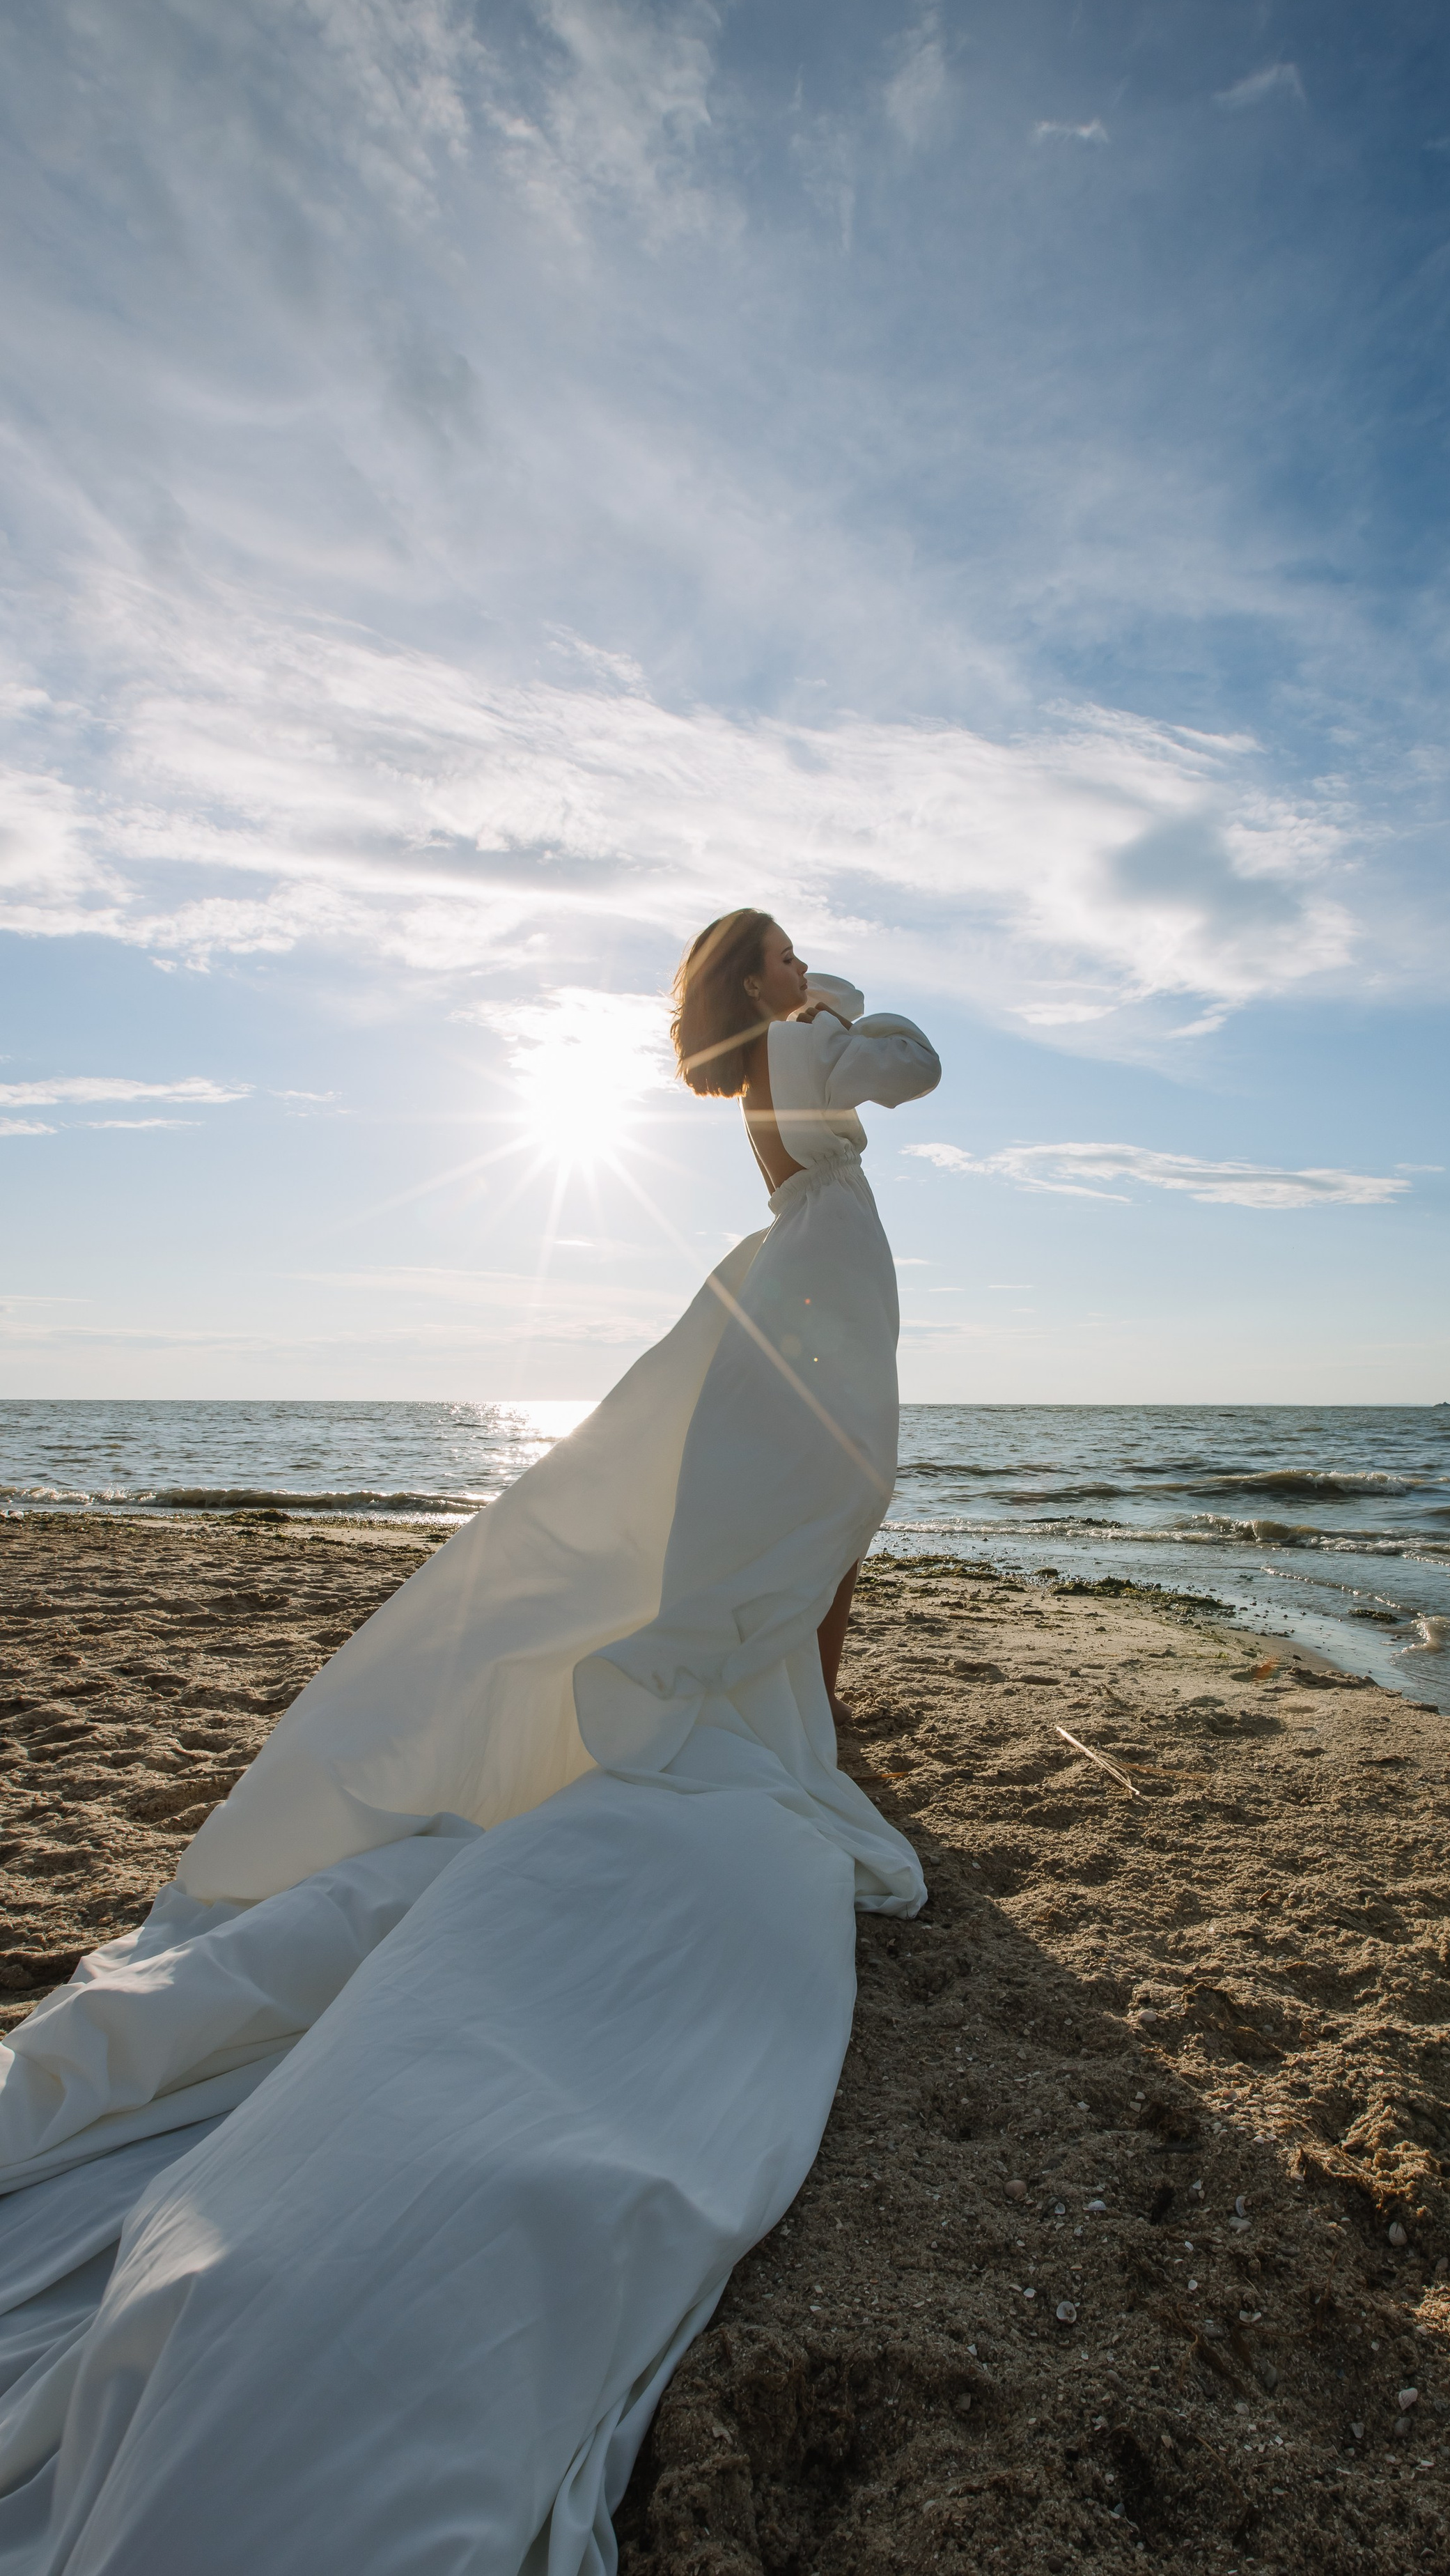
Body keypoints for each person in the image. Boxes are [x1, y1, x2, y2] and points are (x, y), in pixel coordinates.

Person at [0, 912, 940, 2575]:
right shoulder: (804, 1048)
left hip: (820, 1270)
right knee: (809, 1525)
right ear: (754, 986)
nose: (806, 965)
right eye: (781, 953)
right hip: (817, 1268)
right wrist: (834, 1006)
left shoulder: (774, 1075)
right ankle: (806, 1717)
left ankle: (812, 1714)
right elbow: (913, 1065)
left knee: (820, 1522)